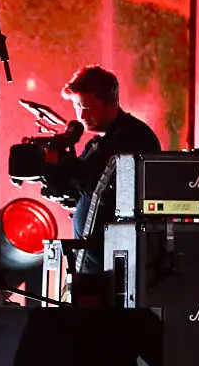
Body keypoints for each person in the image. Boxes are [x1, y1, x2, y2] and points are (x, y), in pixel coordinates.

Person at [58, 65, 160, 276]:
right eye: (77, 106)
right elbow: (77, 188)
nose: (81, 115)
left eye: (87, 107)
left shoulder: (132, 136)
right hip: (99, 265)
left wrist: (62, 162)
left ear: (110, 102)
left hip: (119, 267)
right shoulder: (97, 143)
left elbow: (93, 181)